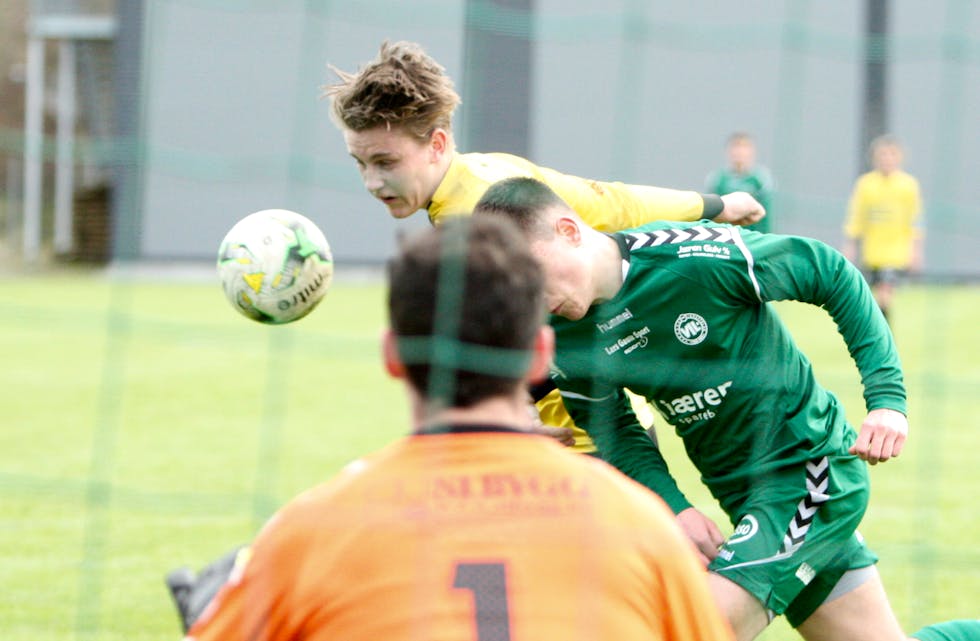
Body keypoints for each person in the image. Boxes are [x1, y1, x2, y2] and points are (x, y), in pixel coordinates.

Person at [183, 216, 736, 641]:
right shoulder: (640, 529)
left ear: (392, 356)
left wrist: (207, 615)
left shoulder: (308, 534)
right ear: (541, 355)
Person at [472, 177, 978, 641]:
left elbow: (828, 271)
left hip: (811, 475)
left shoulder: (694, 256)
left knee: (696, 630)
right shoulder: (562, 335)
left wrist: (887, 399)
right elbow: (616, 432)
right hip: (741, 496)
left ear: (568, 231)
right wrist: (676, 508)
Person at [323, 39, 766, 453]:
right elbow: (606, 201)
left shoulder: (482, 210)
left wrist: (525, 412)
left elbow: (519, 325)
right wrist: (714, 204)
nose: (371, 181)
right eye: (360, 163)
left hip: (585, 434)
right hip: (577, 425)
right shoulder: (486, 170)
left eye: (386, 162)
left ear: (436, 144)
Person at [842, 134, 924, 323]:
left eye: (891, 155)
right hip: (872, 252)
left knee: (885, 293)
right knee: (872, 296)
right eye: (883, 155)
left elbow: (915, 220)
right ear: (875, 158)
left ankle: (885, 335)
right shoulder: (866, 184)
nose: (887, 159)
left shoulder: (908, 185)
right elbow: (856, 218)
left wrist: (915, 251)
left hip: (895, 251)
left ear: (900, 158)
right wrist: (850, 246)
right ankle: (880, 333)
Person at [704, 132, 776, 233]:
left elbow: (765, 217)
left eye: (744, 147)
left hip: (751, 238)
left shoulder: (760, 180)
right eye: (736, 147)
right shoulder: (718, 180)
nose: (740, 152)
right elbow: (710, 214)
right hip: (725, 238)